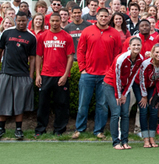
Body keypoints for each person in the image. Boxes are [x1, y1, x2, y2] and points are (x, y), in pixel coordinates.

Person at [73, 8, 123, 139]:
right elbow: (80, 51)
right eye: (101, 16)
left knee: (102, 105)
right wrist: (82, 69)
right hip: (88, 74)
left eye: (106, 16)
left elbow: (117, 55)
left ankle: (98, 131)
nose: (103, 18)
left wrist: (111, 73)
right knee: (83, 103)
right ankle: (79, 129)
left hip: (106, 76)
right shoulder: (87, 31)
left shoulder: (115, 34)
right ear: (97, 17)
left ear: (109, 18)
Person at [0, 12, 37, 141]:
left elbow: (32, 58)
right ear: (15, 20)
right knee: (3, 101)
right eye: (19, 21)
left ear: (27, 20)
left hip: (22, 74)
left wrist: (30, 76)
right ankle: (1, 128)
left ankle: (18, 129)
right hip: (6, 72)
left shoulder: (31, 37)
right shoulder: (6, 33)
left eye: (24, 21)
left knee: (19, 102)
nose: (21, 23)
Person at [34, 13, 75, 136]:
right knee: (42, 105)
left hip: (60, 76)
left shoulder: (67, 37)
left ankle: (59, 130)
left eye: (57, 20)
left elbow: (70, 57)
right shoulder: (42, 36)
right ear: (49, 22)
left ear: (61, 21)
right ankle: (40, 130)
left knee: (61, 104)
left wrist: (65, 75)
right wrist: (37, 74)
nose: (55, 23)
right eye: (53, 21)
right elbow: (38, 56)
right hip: (46, 75)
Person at [104, 36, 144, 150]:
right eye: (134, 45)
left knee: (125, 113)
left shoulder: (140, 58)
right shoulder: (121, 58)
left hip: (123, 88)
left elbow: (132, 78)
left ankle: (125, 141)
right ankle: (116, 142)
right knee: (116, 112)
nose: (136, 47)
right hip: (111, 85)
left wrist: (125, 94)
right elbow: (116, 77)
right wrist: (118, 95)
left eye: (138, 45)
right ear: (129, 47)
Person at [136, 43, 159, 148]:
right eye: (157, 52)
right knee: (143, 109)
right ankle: (145, 139)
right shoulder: (146, 63)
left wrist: (155, 95)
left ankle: (152, 137)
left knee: (154, 109)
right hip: (139, 85)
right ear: (152, 52)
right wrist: (144, 96)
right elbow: (142, 80)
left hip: (153, 86)